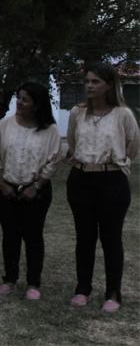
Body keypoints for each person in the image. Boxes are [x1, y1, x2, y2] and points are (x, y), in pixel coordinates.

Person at [66, 62, 139, 313]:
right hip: (81, 179)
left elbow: (132, 146)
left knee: (111, 238)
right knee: (84, 237)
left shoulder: (123, 115)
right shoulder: (77, 112)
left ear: (109, 85)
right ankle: (83, 288)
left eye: (95, 81)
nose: (89, 85)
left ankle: (113, 292)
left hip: (112, 181)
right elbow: (73, 143)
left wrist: (113, 163)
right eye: (87, 81)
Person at [0, 82, 62, 300]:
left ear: (37, 105)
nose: (19, 103)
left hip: (36, 192)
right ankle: (10, 278)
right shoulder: (5, 124)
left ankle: (33, 283)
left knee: (33, 236)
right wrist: (2, 183)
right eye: (18, 98)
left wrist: (36, 186)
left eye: (25, 100)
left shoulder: (50, 130)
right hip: (6, 188)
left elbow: (53, 160)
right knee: (10, 234)